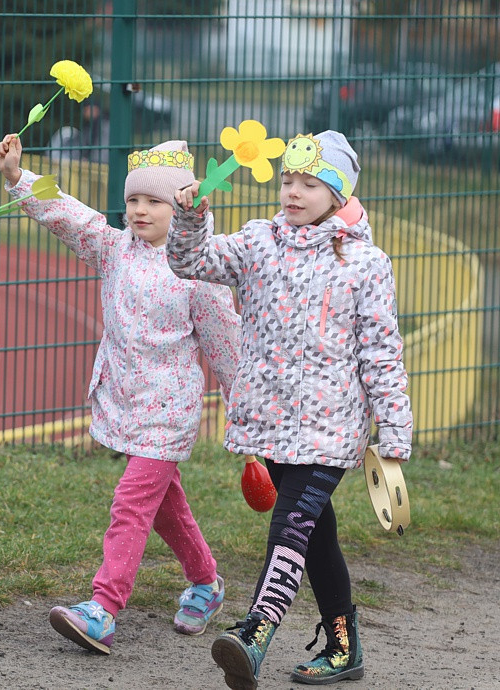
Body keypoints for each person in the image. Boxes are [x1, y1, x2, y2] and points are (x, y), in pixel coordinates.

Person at [169, 130, 413, 688]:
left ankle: (255, 634)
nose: (294, 192)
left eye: (310, 183)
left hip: (332, 431)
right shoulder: (258, 242)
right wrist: (189, 217)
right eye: (288, 180)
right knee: (315, 535)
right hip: (272, 424)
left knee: (290, 524)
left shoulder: (367, 264)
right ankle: (344, 647)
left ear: (338, 194)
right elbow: (190, 261)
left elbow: (382, 353)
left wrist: (394, 431)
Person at [0, 134, 242, 654]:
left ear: (182, 207)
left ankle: (103, 609)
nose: (140, 210)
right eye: (133, 199)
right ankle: (206, 582)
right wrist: (18, 178)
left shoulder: (200, 272)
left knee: (131, 503)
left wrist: (245, 407)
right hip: (125, 401)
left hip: (169, 412)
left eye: (154, 200)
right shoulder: (114, 250)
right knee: (164, 504)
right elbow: (70, 216)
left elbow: (226, 343)